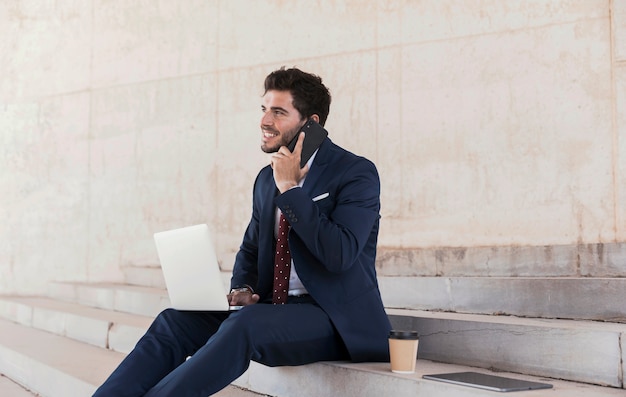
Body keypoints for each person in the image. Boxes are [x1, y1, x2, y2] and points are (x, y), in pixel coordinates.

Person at [93, 67, 391, 396]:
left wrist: (291, 189)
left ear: (312, 123)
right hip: (271, 311)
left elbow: (340, 254)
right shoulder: (266, 179)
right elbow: (251, 249)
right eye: (264, 109)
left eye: (278, 112)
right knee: (175, 321)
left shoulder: (355, 173)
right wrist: (243, 287)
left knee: (244, 326)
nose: (265, 121)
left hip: (332, 318)